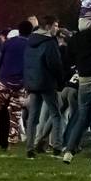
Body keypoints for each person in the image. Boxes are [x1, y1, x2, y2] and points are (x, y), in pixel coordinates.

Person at [61, 8, 91, 163]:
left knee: (82, 119)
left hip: (82, 82)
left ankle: (69, 151)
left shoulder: (76, 38)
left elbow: (69, 58)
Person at [23, 17, 66, 158]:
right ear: (48, 26)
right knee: (56, 115)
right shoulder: (49, 42)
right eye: (55, 25)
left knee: (33, 117)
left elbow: (27, 64)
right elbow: (55, 64)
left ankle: (30, 148)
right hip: (47, 83)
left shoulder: (30, 41)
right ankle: (57, 147)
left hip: (33, 83)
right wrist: (60, 81)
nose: (57, 28)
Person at [0, 22, 29, 150]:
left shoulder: (7, 43)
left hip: (3, 82)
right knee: (15, 115)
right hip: (19, 85)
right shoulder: (30, 45)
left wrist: (1, 74)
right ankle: (11, 144)